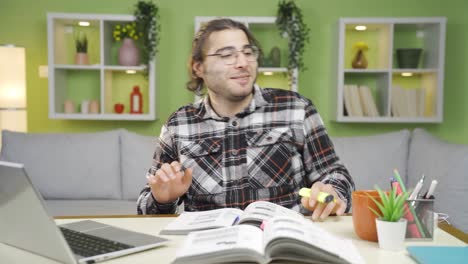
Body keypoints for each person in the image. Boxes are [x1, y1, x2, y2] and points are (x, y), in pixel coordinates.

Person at [137, 18, 355, 221]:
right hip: (210, 250)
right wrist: (162, 199)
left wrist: (332, 190)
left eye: (248, 52)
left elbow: (336, 174)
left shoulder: (297, 109)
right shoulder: (178, 124)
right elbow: (146, 205)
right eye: (227, 54)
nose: (243, 62)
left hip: (284, 246)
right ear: (198, 67)